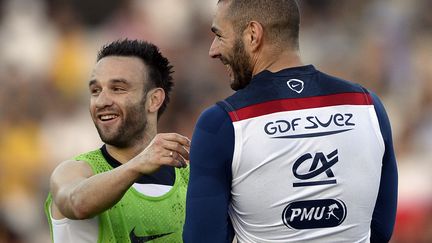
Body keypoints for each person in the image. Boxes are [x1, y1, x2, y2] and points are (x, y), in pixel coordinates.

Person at [183, 1, 398, 243]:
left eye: (219, 35)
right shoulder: (368, 107)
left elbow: (202, 239)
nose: (213, 50)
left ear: (253, 35)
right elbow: (380, 230)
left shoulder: (221, 124)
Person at [45, 39, 190, 243]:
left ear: (154, 100)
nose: (102, 101)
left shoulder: (191, 179)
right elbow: (77, 203)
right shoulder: (73, 171)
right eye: (95, 91)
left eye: (118, 88)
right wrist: (137, 165)